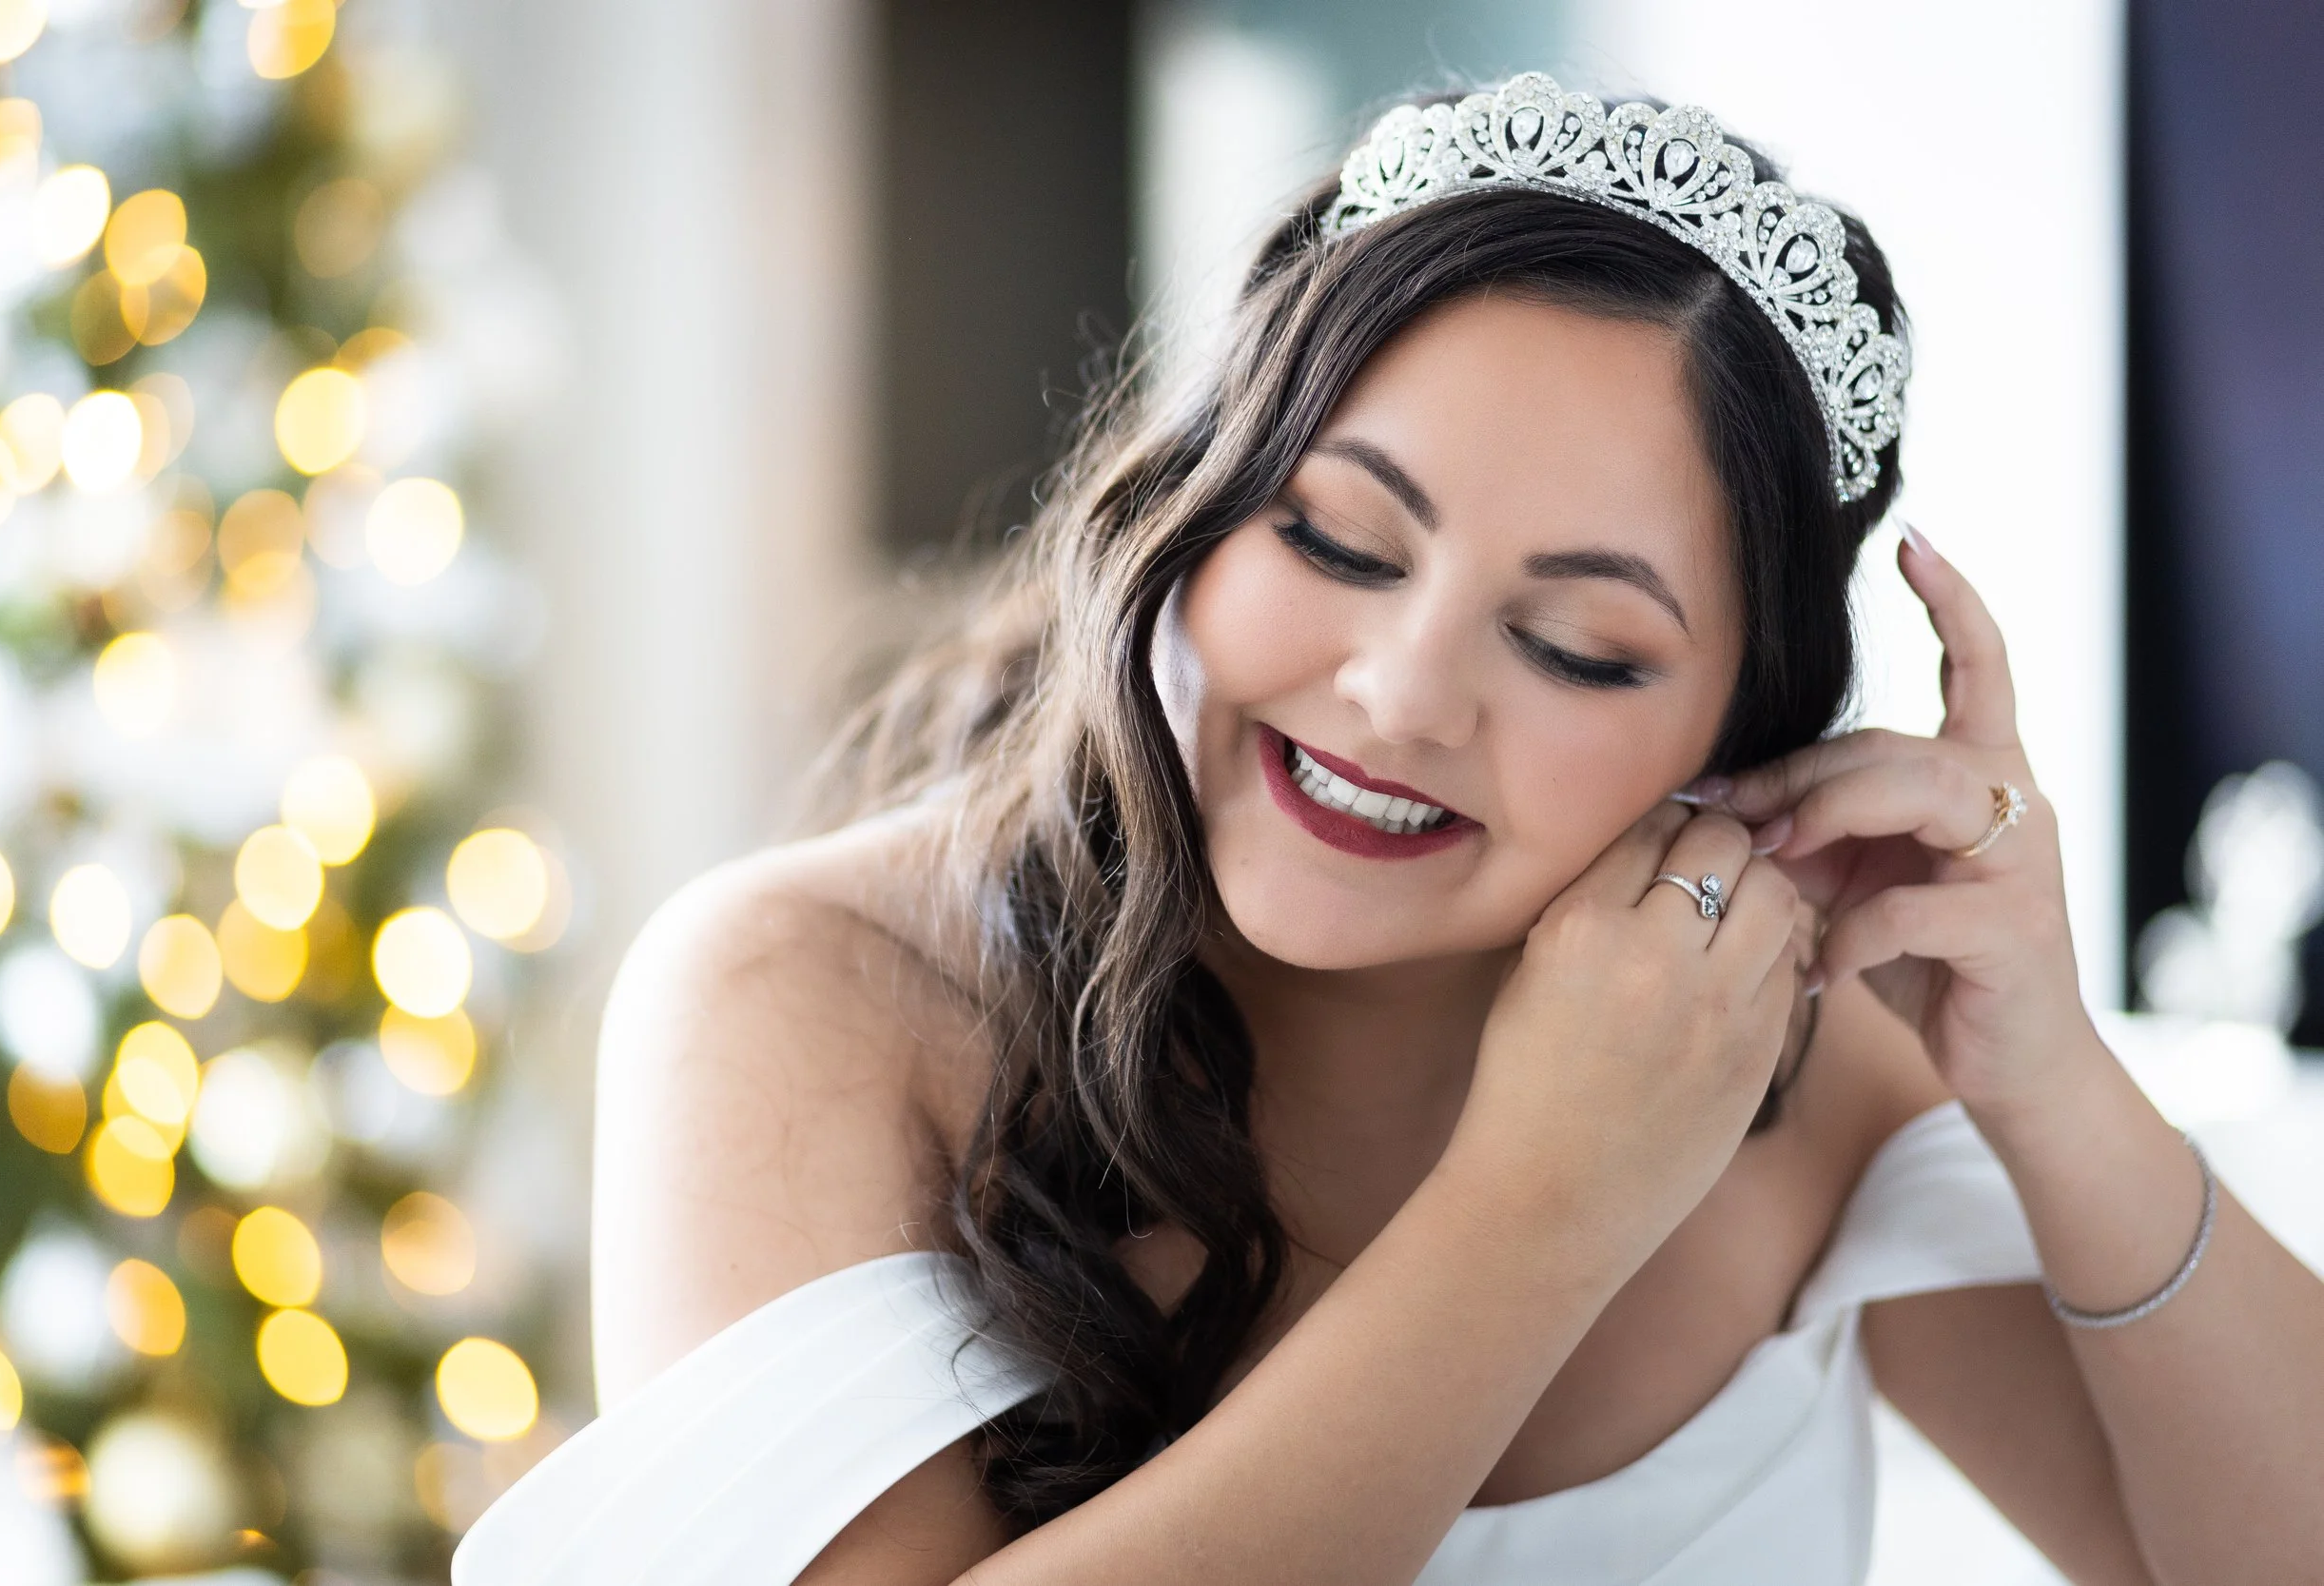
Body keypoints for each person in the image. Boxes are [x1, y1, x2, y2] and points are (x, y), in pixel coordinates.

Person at [456, 73, 2324, 1586]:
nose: (1404, 690)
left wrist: (2054, 1078)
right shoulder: (806, 995)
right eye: (1337, 539)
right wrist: (1541, 1207)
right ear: (1194, 503)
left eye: (1580, 645)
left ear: (1735, 735)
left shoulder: (1796, 1060)